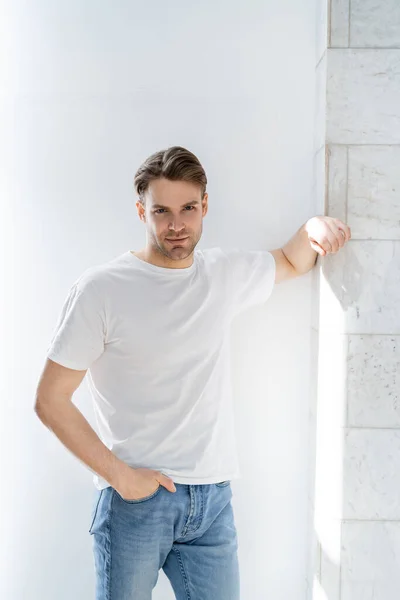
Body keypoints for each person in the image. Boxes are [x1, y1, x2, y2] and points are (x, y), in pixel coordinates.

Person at [34, 145, 351, 599]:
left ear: (205, 207)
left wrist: (314, 228)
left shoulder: (220, 273)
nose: (176, 224)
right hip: (135, 506)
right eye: (161, 211)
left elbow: (290, 259)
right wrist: (120, 477)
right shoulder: (102, 289)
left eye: (187, 209)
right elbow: (50, 400)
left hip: (213, 502)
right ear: (142, 210)